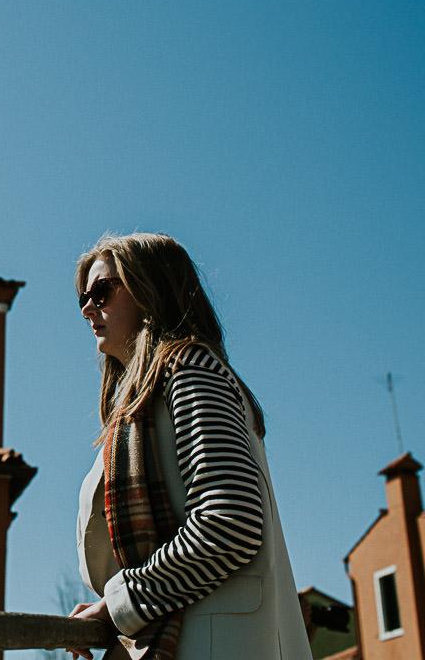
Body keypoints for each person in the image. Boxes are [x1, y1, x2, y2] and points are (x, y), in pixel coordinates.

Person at [67, 233, 312, 660]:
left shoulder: (190, 370)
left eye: (102, 291)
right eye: (83, 298)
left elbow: (229, 522)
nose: (89, 308)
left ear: (150, 289)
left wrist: (115, 609)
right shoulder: (144, 402)